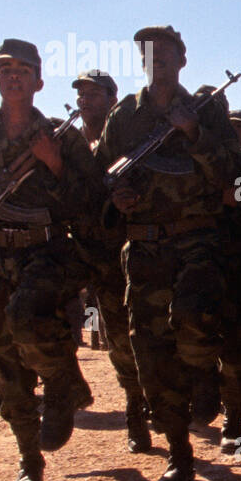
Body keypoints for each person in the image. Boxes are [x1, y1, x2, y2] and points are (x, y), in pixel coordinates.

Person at [0, 39, 101, 481]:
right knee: (4, 363)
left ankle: (62, 383)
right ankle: (30, 460)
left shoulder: (62, 137)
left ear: (39, 81)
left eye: (23, 69)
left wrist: (54, 164)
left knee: (28, 318)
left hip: (46, 251)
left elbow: (91, 203)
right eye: (5, 69)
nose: (13, 76)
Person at [97, 25, 241, 481]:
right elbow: (104, 174)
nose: (157, 60)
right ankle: (179, 452)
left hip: (196, 236)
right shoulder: (124, 116)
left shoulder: (206, 109)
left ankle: (205, 374)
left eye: (166, 52)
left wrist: (194, 132)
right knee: (152, 352)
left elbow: (234, 175)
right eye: (148, 53)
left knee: (197, 321)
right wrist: (116, 197)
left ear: (182, 58)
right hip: (144, 245)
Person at [72, 69, 152, 452]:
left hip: (135, 251)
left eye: (93, 94)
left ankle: (156, 397)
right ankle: (135, 404)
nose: (84, 100)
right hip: (92, 255)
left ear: (111, 99)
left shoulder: (128, 137)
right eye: (81, 94)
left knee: (147, 333)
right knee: (118, 337)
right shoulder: (70, 144)